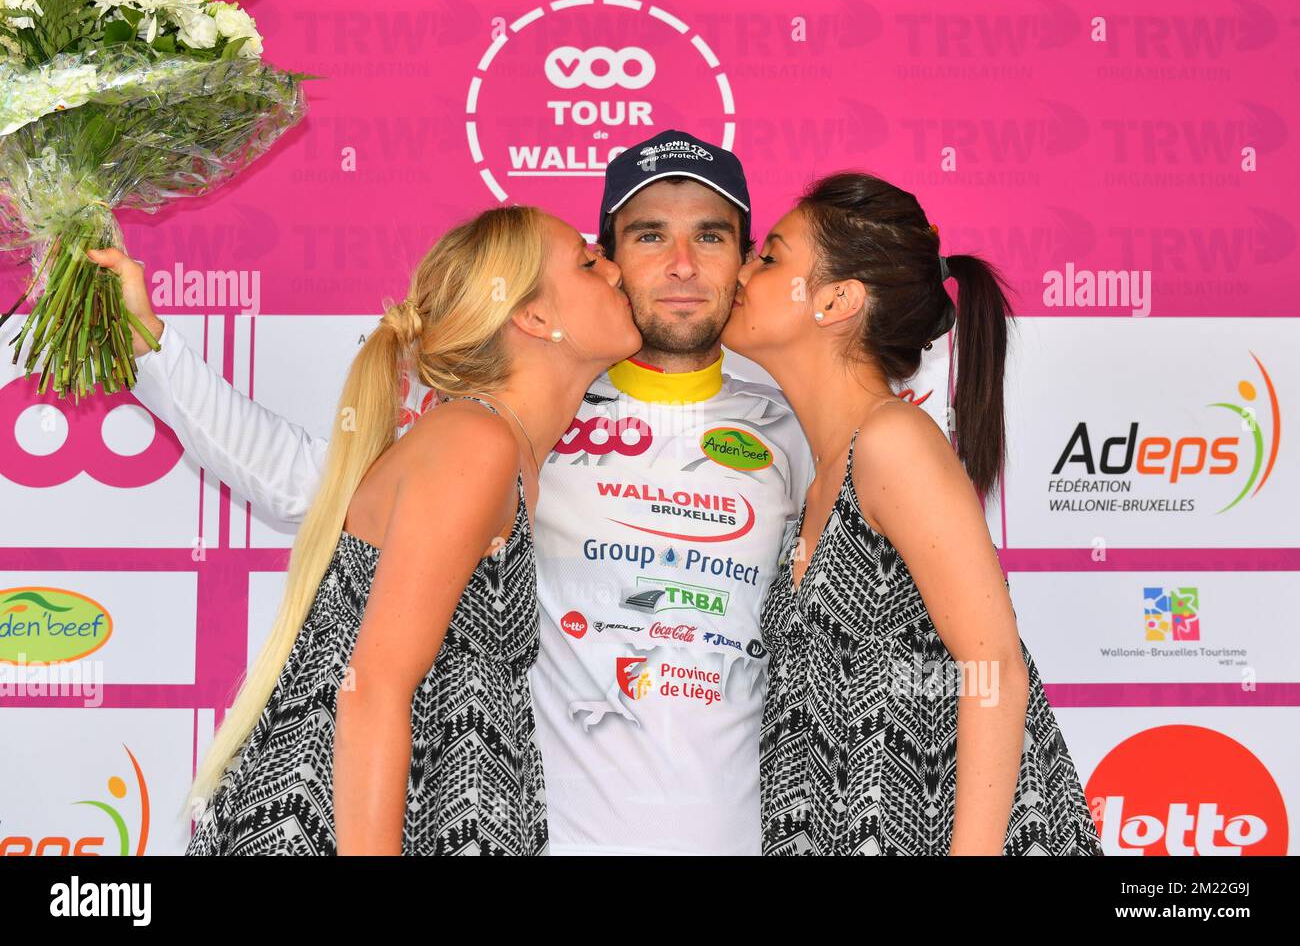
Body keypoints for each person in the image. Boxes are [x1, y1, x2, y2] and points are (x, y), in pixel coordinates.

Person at [112, 129, 815, 855]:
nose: (680, 265)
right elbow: (311, 488)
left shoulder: (794, 430)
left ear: (742, 260)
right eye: (643, 236)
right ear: (611, 258)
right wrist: (152, 349)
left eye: (710, 236)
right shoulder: (495, 427)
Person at [88, 205, 640, 854]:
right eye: (587, 260)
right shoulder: (475, 441)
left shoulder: (484, 445)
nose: (615, 266)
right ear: (535, 317)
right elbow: (374, 688)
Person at [725, 171, 1103, 855]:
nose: (741, 272)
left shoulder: (892, 442)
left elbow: (995, 668)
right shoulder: (823, 475)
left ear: (836, 300)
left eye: (770, 257)